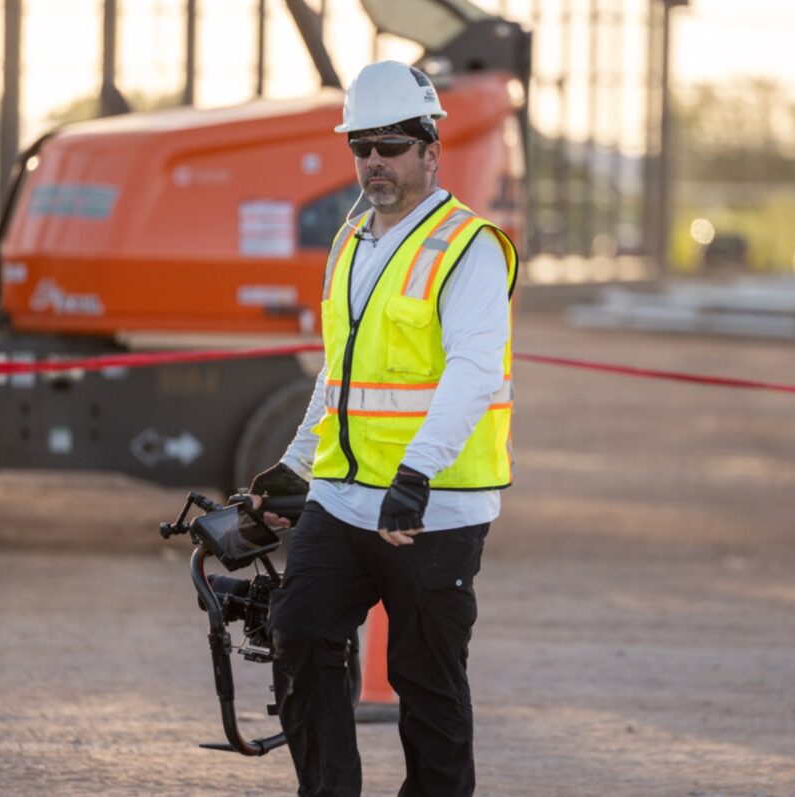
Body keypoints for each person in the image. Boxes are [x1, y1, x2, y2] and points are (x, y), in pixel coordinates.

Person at [251, 60, 518, 797]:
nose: (374, 160)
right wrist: (296, 464)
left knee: (427, 685)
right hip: (344, 497)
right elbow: (337, 372)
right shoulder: (350, 241)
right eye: (361, 145)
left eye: (392, 144)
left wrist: (416, 472)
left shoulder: (469, 248)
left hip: (435, 508)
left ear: (431, 149)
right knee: (300, 631)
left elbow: (473, 373)